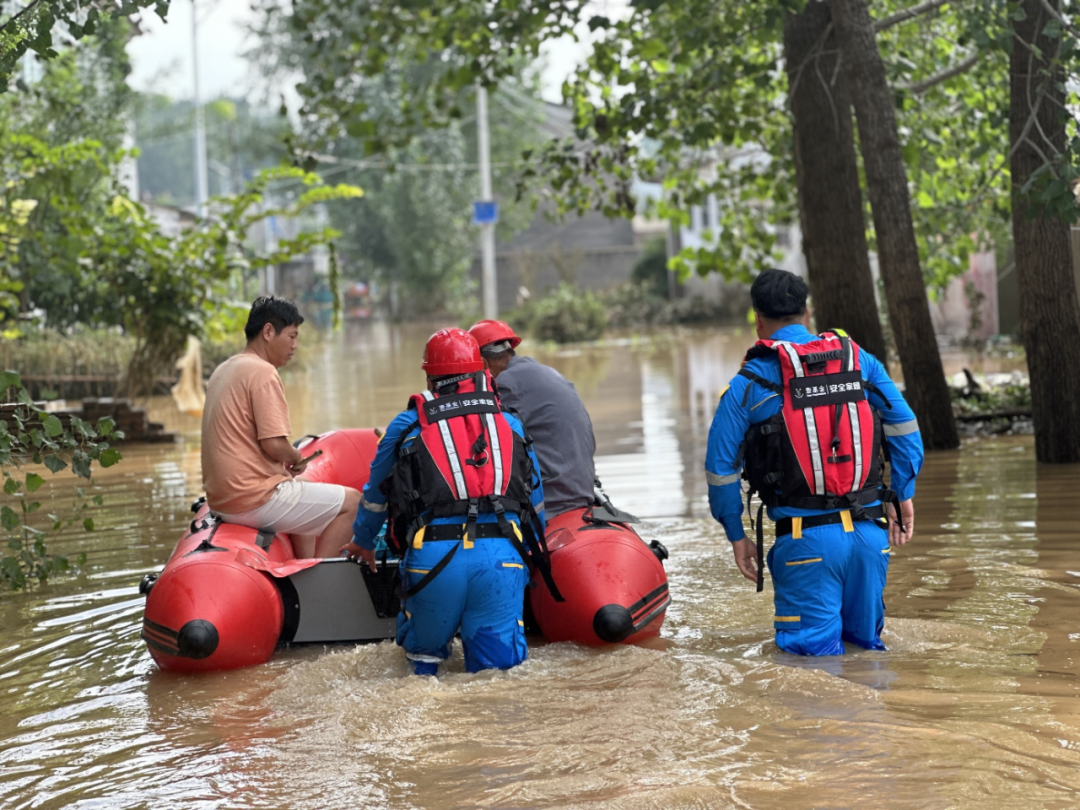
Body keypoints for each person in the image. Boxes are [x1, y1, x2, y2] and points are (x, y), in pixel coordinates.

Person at [705, 269, 923, 656]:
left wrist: (737, 537)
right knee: (867, 658)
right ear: (808, 313)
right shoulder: (861, 362)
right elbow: (905, 428)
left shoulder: (748, 383)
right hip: (871, 541)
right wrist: (903, 493)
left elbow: (720, 472)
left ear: (757, 318)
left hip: (806, 545)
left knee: (813, 678)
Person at [342, 328, 556, 676]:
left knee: (422, 674)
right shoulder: (510, 422)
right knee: (496, 681)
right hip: (502, 560)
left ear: (429, 377)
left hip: (434, 560)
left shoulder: (408, 423)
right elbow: (535, 506)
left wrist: (363, 541)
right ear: (480, 371)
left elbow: (376, 493)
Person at [201, 296, 361, 558]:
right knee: (355, 503)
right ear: (268, 331)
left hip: (221, 500)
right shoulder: (262, 371)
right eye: (291, 336)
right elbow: (274, 444)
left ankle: (306, 564)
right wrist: (296, 458)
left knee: (303, 484)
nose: (295, 346)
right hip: (252, 499)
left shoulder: (224, 369)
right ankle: (322, 581)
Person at [468, 319, 597, 517]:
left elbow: (486, 444)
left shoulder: (506, 384)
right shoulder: (546, 372)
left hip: (553, 503)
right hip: (582, 492)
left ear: (484, 363)